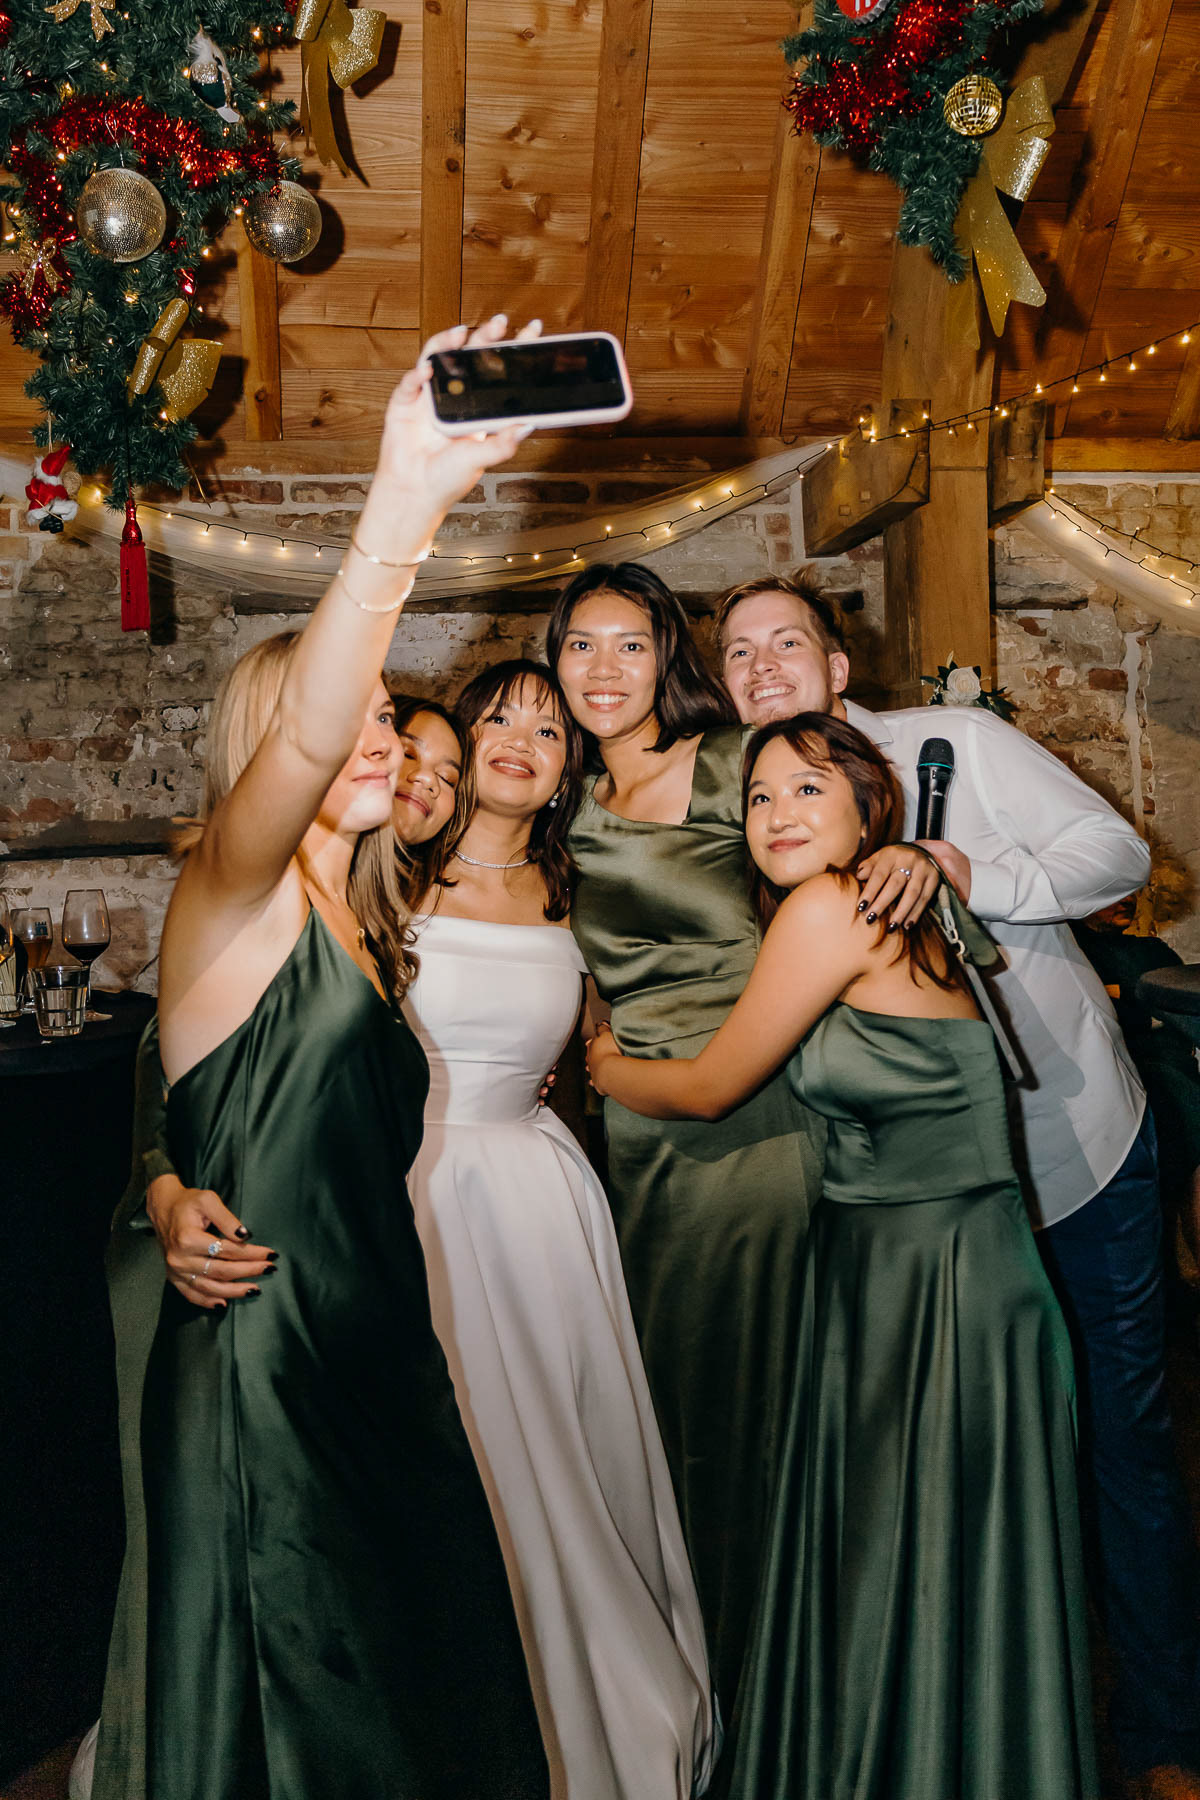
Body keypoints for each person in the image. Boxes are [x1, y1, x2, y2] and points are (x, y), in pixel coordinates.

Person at [101, 659, 717, 1800]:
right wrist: (164, 1182)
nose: (426, 771)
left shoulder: (523, 890)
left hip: (479, 1229)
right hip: (349, 1246)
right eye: (419, 742)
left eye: (431, 755)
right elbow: (190, 1065)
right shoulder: (327, 887)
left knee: (515, 1498)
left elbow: (635, 1017)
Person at [90, 321, 549, 1800]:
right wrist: (402, 514)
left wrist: (164, 1169)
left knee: (424, 1685)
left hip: (376, 1350)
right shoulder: (232, 895)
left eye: (375, 719)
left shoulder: (363, 932)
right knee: (307, 1713)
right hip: (270, 1369)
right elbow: (303, 734)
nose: (366, 732)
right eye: (330, 716)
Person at [715, 571, 1200, 1800]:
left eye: (788, 642)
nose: (763, 665)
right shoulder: (764, 814)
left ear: (838, 666)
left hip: (1073, 1159)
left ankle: (1163, 1729)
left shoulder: (957, 744)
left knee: (1121, 1442)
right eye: (736, 652)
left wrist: (967, 868)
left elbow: (1119, 852)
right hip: (924, 1211)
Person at [586, 712, 1096, 1800]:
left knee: (898, 1567)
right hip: (926, 1272)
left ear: (872, 811)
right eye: (760, 797)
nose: (775, 815)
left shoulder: (832, 908)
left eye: (808, 791)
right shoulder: (888, 899)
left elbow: (715, 1085)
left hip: (934, 1285)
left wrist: (599, 1064)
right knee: (916, 1570)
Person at [408, 657, 717, 1799]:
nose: (523, 739)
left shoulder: (577, 891)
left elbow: (618, 1032)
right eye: (502, 716)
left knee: (555, 1465)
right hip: (404, 1195)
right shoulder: (383, 873)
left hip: (536, 1207)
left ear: (563, 776)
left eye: (550, 730)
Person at [545, 564, 825, 1773]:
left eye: (630, 646)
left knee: (760, 1417)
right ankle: (695, 1708)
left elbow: (831, 873)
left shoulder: (733, 767)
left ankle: (779, 1713)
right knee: (672, 1426)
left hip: (758, 1129)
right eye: (579, 649)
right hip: (637, 1151)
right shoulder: (555, 806)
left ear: (668, 658)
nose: (604, 673)